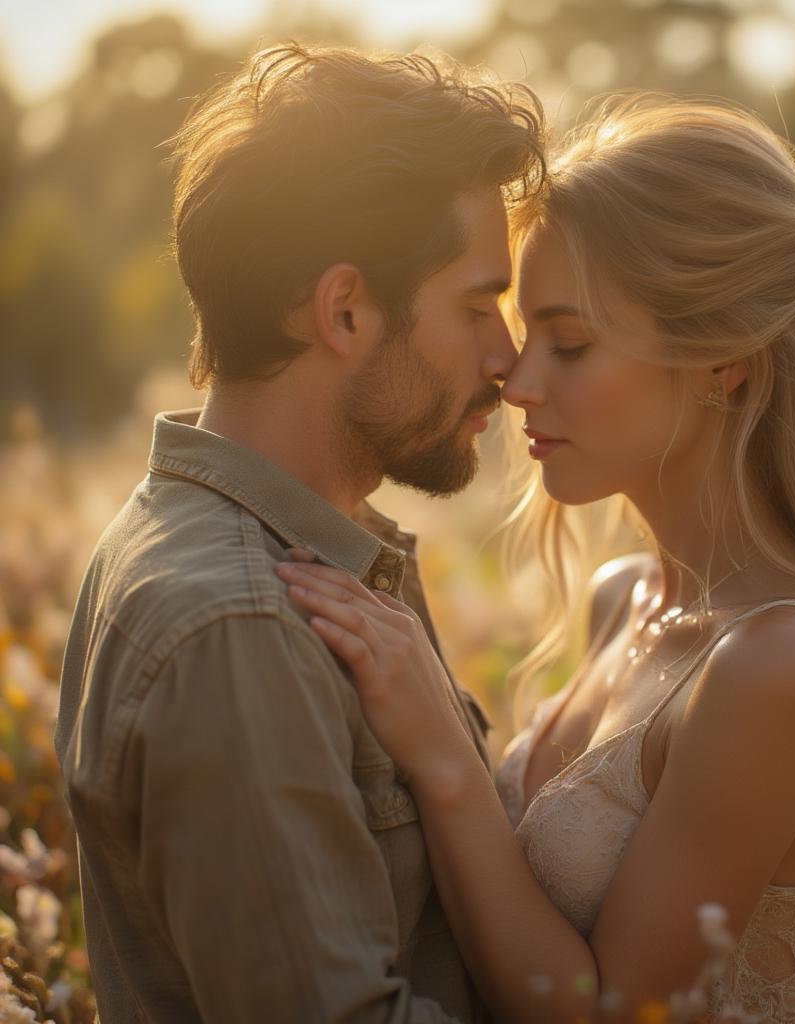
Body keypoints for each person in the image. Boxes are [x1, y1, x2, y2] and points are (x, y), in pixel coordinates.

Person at [278, 97, 795, 1024]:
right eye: (520, 331)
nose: (514, 378)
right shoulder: (619, 599)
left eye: (572, 341)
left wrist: (443, 756)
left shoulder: (784, 665)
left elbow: (608, 1015)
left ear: (726, 361)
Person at [54, 42, 545, 1023]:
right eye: (477, 303)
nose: (507, 356)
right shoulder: (240, 626)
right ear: (346, 309)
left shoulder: (306, 555)